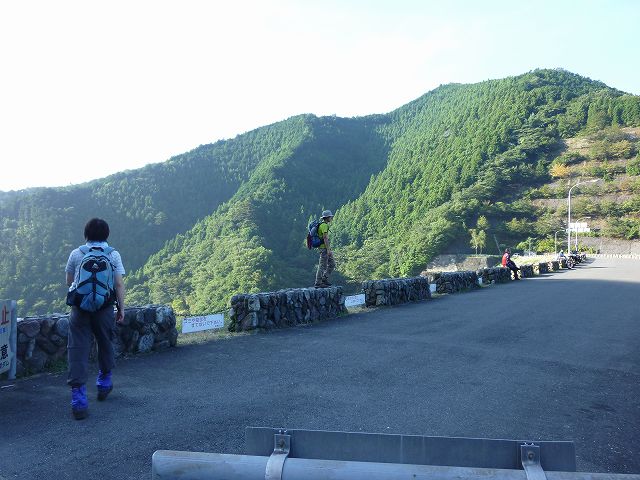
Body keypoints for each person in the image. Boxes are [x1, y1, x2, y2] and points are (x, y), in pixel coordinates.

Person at [65, 218, 126, 419]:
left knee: (77, 349)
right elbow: (118, 284)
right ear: (106, 235)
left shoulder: (76, 253)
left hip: (79, 309)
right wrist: (121, 309)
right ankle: (104, 382)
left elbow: (69, 281)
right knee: (105, 342)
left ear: (86, 235)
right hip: (104, 308)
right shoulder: (113, 254)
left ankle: (79, 399)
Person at [314, 210, 336, 288]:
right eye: (330, 217)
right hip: (324, 249)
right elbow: (325, 238)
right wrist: (328, 250)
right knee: (322, 265)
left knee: (332, 264)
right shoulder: (324, 226)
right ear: (327, 217)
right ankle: (318, 283)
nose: (331, 218)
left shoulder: (323, 225)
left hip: (324, 248)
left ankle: (324, 279)